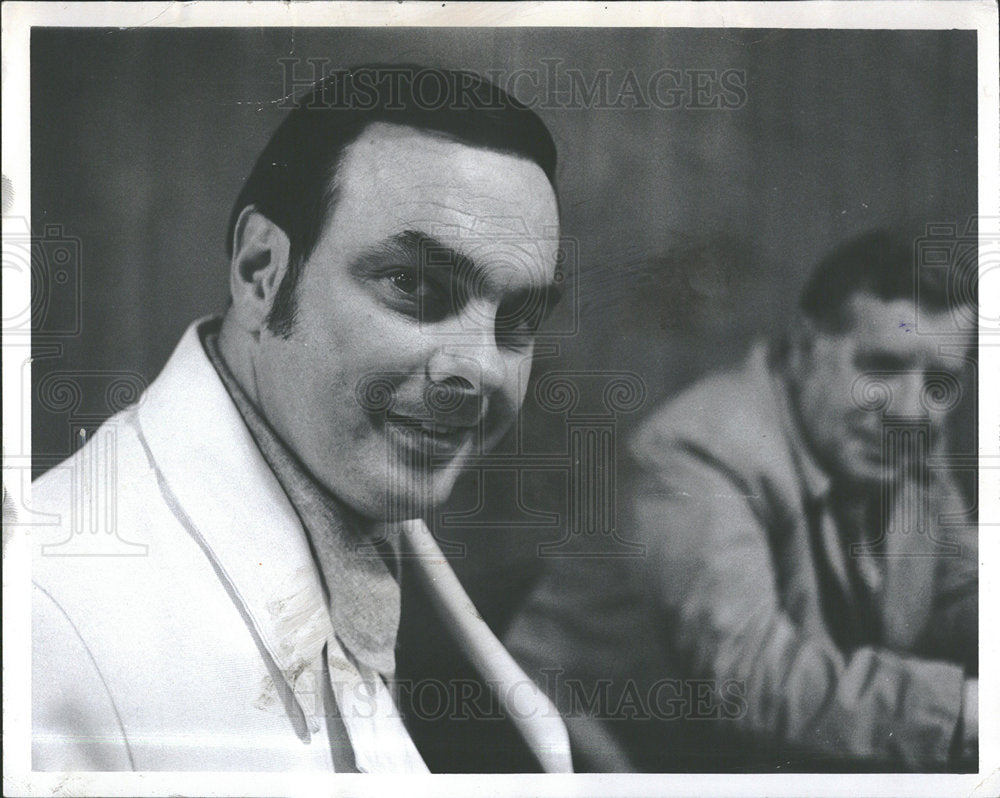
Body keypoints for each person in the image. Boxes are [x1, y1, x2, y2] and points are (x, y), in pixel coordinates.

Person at [30, 66, 571, 773]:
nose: (483, 370)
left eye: (518, 319)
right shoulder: (43, 616)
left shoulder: (363, 510)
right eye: (415, 286)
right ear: (261, 272)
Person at [504, 230, 978, 771]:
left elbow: (958, 587)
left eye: (940, 382)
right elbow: (751, 678)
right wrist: (966, 713)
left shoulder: (907, 439)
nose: (912, 411)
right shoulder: (695, 453)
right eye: (882, 368)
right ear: (804, 346)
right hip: (587, 757)